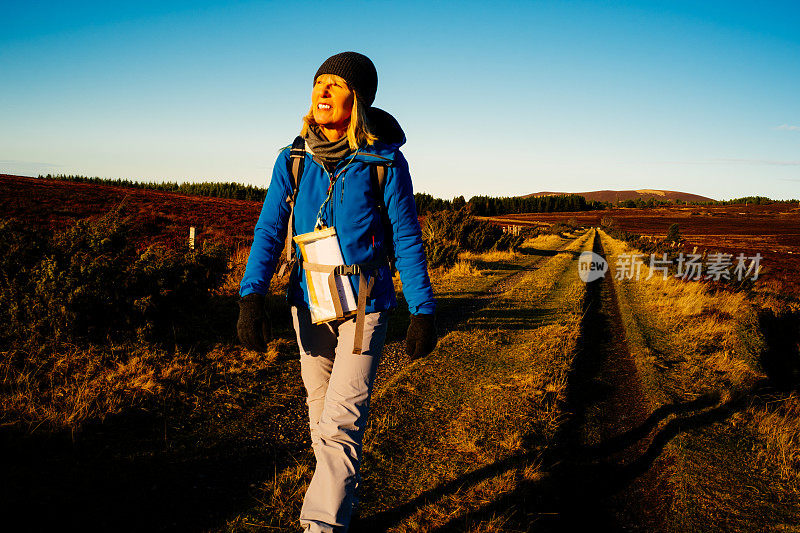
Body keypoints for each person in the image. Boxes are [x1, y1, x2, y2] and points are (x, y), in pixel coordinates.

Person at [236, 51, 437, 533]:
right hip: (306, 302)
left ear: (359, 99)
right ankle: (342, 503)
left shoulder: (384, 162)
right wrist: (251, 296)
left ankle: (321, 525)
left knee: (342, 421)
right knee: (320, 415)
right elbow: (268, 229)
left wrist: (423, 309)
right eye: (319, 82)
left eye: (337, 84)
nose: (323, 91)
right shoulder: (294, 159)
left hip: (364, 304)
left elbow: (407, 237)